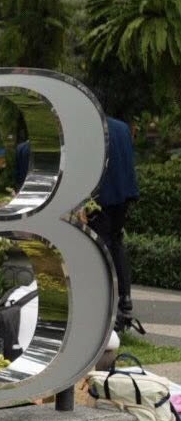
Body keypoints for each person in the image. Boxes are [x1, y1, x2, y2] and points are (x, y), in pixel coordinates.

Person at [91, 115, 140, 325]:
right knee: (116, 242)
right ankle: (125, 298)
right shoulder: (122, 127)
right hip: (124, 194)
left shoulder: (92, 128)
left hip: (102, 197)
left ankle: (104, 299)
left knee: (100, 246)